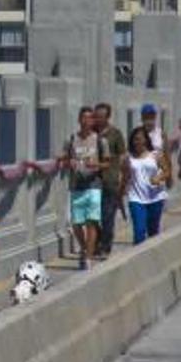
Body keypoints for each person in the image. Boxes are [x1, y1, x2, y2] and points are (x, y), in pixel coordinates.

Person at [64, 106, 109, 270]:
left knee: (91, 221)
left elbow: (108, 162)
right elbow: (63, 160)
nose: (86, 121)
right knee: (76, 224)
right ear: (79, 119)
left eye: (90, 118)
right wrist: (69, 163)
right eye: (83, 118)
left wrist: (96, 164)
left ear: (93, 121)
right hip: (76, 186)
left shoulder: (100, 140)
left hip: (94, 186)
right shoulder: (71, 140)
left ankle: (89, 257)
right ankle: (84, 248)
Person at [122, 126, 168, 244]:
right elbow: (125, 177)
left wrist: (158, 177)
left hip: (155, 198)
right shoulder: (128, 158)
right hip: (136, 198)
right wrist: (120, 194)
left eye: (140, 139)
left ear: (146, 140)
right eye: (135, 139)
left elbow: (167, 171)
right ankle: (137, 258)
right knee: (139, 231)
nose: (137, 142)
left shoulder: (155, 155)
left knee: (153, 232)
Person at [93, 103, 127, 259]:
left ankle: (105, 246)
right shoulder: (91, 133)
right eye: (96, 116)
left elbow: (122, 156)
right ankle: (96, 242)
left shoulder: (115, 134)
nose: (98, 119)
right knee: (93, 216)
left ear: (108, 117)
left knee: (107, 215)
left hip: (110, 180)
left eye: (101, 116)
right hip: (92, 180)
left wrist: (122, 180)